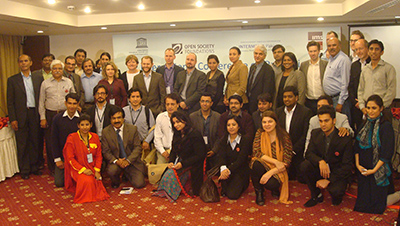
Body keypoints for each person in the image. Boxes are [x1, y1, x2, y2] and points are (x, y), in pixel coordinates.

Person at [301, 105, 353, 207]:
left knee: (336, 193)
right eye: (321, 121)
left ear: (334, 121)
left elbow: (346, 166)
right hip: (321, 169)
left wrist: (329, 180)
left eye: (326, 121)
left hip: (337, 173)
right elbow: (309, 153)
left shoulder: (344, 138)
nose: (323, 124)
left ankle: (337, 193)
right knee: (304, 166)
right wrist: (320, 161)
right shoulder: (315, 133)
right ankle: (316, 195)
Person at [354, 95, 395, 214]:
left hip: (378, 169)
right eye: (368, 108)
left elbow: (386, 153)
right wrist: (357, 165)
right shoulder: (363, 124)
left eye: (374, 108)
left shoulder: (386, 126)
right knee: (362, 206)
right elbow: (356, 148)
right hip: (363, 169)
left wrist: (373, 170)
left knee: (376, 206)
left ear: (381, 108)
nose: (370, 111)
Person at [153, 111, 206, 201]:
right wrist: (171, 162)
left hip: (193, 163)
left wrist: (183, 163)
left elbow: (200, 155)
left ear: (184, 121)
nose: (176, 125)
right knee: (168, 173)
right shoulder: (177, 133)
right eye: (174, 123)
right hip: (181, 161)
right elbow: (174, 151)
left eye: (178, 122)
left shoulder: (195, 134)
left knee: (170, 175)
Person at [7, 54, 43, 179]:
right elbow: (10, 102)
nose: (23, 63)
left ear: (31, 63)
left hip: (35, 113)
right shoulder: (12, 80)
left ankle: (35, 166)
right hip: (21, 114)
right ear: (18, 64)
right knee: (22, 143)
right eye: (21, 61)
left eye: (26, 61)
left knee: (35, 141)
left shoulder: (38, 78)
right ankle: (25, 169)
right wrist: (13, 119)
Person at [39, 60, 75, 174]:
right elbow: (41, 102)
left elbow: (73, 97)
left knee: (66, 140)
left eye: (59, 68)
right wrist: (42, 117)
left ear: (63, 70)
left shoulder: (68, 82)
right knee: (51, 141)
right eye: (55, 68)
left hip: (65, 113)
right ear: (51, 70)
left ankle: (69, 164)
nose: (57, 70)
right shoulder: (45, 83)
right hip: (50, 114)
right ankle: (53, 168)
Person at [63, 114, 110, 203]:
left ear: (91, 125)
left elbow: (99, 155)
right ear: (78, 126)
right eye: (82, 125)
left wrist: (97, 170)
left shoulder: (95, 137)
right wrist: (83, 170)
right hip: (78, 168)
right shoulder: (72, 138)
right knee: (87, 181)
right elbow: (70, 159)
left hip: (92, 166)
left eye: (87, 125)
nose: (85, 127)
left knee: (97, 181)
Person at [251, 111, 293, 205]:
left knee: (272, 184)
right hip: (265, 164)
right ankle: (259, 192)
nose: (267, 125)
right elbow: (257, 152)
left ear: (276, 122)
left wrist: (270, 173)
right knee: (255, 163)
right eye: (264, 122)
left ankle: (275, 189)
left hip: (279, 170)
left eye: (270, 121)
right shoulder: (260, 133)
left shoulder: (284, 136)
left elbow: (286, 162)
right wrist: (275, 162)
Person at [102, 106, 147, 189]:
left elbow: (137, 148)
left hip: (131, 161)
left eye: (119, 118)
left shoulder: (132, 129)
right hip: (116, 162)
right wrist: (117, 161)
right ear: (110, 119)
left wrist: (128, 160)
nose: (116, 121)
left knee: (140, 184)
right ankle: (117, 180)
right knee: (112, 171)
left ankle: (127, 174)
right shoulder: (105, 131)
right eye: (114, 118)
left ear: (123, 118)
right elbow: (106, 151)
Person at [276, 86, 312, 181]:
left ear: (296, 98)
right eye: (285, 97)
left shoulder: (305, 112)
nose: (287, 99)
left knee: (301, 179)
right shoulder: (278, 112)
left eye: (290, 96)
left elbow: (305, 135)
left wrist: (292, 150)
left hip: (298, 151)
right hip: (281, 150)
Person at [215, 115, 250, 200]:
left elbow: (241, 160)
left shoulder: (245, 140)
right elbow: (221, 157)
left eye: (233, 125)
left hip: (239, 171)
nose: (231, 127)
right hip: (226, 170)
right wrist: (223, 169)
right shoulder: (223, 140)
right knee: (224, 193)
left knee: (232, 196)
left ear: (239, 126)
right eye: (228, 125)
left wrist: (228, 170)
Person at [358, 39, 397, 115]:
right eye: (371, 49)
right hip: (368, 110)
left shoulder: (388, 68)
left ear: (382, 52)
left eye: (377, 49)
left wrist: (380, 107)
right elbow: (360, 90)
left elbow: (391, 91)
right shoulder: (365, 69)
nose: (373, 52)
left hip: (383, 110)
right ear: (368, 52)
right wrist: (362, 106)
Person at [51, 93, 80, 187]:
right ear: (65, 103)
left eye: (74, 103)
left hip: (79, 156)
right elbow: (53, 140)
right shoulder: (57, 119)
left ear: (78, 104)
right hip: (64, 156)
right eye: (69, 103)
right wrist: (57, 159)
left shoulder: (82, 118)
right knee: (59, 183)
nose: (72, 106)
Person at [322, 37, 351, 121]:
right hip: (331, 99)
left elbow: (345, 83)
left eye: (334, 45)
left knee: (341, 126)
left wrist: (340, 103)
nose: (331, 47)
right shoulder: (332, 58)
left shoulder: (343, 59)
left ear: (340, 46)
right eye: (329, 46)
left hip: (338, 99)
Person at [189, 93, 221, 168]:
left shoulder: (218, 117)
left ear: (211, 103)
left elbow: (220, 136)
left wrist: (214, 150)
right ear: (199, 102)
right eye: (202, 101)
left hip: (214, 149)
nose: (204, 104)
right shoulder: (192, 117)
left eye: (207, 101)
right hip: (197, 152)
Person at [123, 88, 155, 154]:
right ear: (129, 99)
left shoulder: (147, 111)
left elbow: (153, 128)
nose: (135, 99)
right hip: (128, 146)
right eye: (133, 97)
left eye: (137, 97)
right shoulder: (123, 111)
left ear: (141, 99)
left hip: (143, 145)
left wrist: (147, 141)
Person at [300, 41, 328, 115]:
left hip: (322, 100)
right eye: (311, 51)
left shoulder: (325, 64)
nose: (313, 53)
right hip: (308, 100)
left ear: (319, 51)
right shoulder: (303, 65)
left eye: (315, 51)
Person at [349, 39, 371, 132]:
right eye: (356, 49)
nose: (358, 52)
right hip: (357, 105)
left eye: (361, 48)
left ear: (367, 48)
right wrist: (355, 102)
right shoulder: (354, 65)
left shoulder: (373, 63)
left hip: (370, 105)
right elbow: (351, 86)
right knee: (359, 131)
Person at [247, 44, 275, 115]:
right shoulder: (252, 67)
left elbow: (267, 89)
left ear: (264, 56)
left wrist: (262, 103)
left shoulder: (268, 69)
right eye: (256, 53)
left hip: (261, 103)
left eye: (260, 54)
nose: (257, 56)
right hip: (250, 101)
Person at [154, 93, 180, 164]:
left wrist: (172, 152)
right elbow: (157, 137)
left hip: (178, 152)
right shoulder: (160, 117)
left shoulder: (182, 118)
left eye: (172, 104)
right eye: (167, 104)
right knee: (159, 172)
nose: (170, 107)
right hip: (163, 151)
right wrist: (163, 152)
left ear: (177, 105)